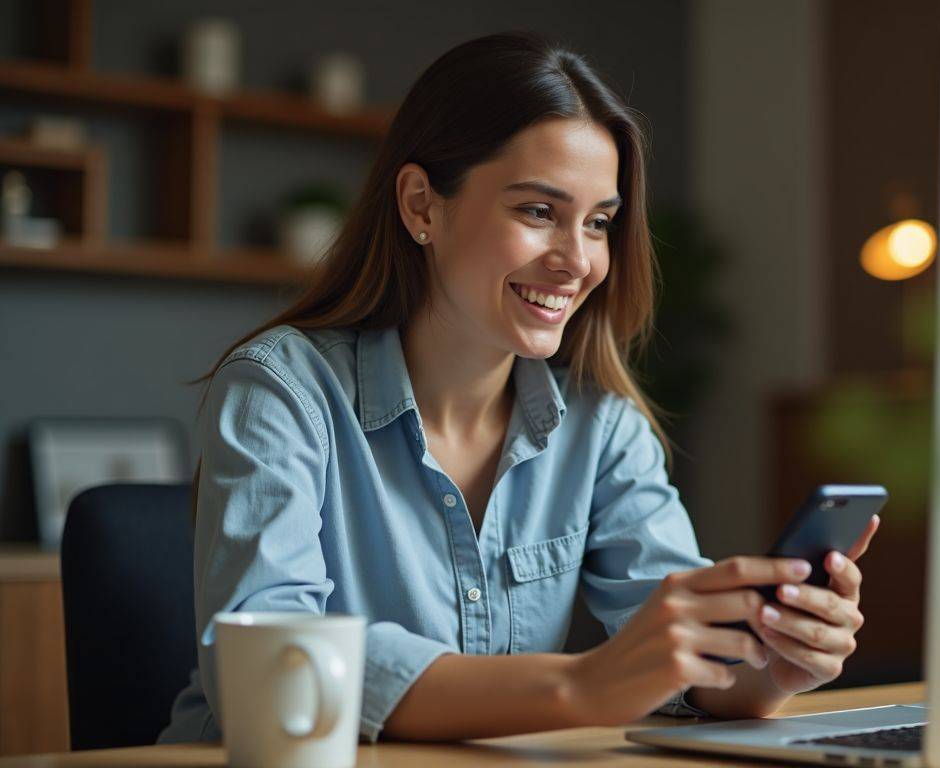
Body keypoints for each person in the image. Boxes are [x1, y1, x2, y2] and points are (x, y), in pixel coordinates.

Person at [158, 31, 879, 744]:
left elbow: (693, 671)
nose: (578, 261)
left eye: (598, 223)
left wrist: (776, 660)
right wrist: (580, 686)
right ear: (420, 206)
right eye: (538, 212)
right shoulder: (280, 392)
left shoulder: (602, 429)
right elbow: (268, 675)